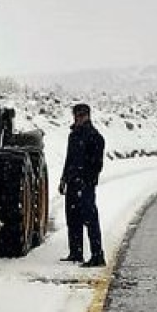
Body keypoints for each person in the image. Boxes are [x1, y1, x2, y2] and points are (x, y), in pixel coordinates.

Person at [60, 103, 106, 267]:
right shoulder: (73, 136)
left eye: (80, 115)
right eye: (75, 115)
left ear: (87, 116)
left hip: (85, 184)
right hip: (73, 182)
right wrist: (64, 179)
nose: (77, 118)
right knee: (73, 218)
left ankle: (97, 255)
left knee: (90, 218)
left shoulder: (95, 137)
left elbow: (97, 164)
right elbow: (69, 159)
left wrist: (88, 181)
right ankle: (76, 252)